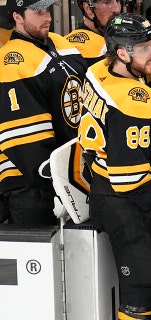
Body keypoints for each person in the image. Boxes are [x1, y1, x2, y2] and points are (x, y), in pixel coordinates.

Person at [77, 13, 151, 319]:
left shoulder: (97, 70)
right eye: (145, 48)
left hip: (105, 183)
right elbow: (130, 177)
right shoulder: (134, 99)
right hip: (124, 196)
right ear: (122, 53)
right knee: (144, 283)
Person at [0, 0, 87, 225]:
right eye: (38, 12)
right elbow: (24, 141)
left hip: (71, 175)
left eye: (48, 10)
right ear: (17, 17)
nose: (47, 17)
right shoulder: (12, 61)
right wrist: (57, 185)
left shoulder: (60, 43)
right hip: (30, 185)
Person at [63, 0, 121, 66]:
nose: (117, 9)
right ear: (88, 8)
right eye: (107, 3)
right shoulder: (74, 48)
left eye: (117, 1)